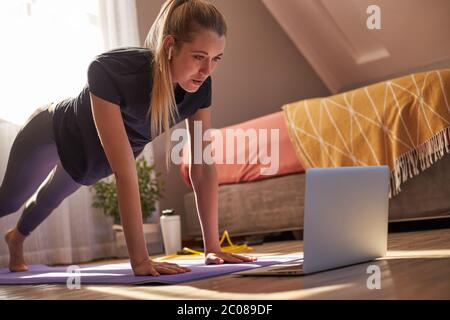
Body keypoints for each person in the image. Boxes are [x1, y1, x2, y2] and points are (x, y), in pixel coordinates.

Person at [0, 0, 257, 276]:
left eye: (216, 58)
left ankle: (16, 238)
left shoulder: (200, 89)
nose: (207, 70)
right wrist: (140, 260)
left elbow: (203, 166)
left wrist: (212, 248)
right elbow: (125, 172)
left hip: (89, 160)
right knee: (10, 201)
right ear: (170, 45)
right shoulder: (113, 70)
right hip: (51, 130)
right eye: (198, 57)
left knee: (49, 199)